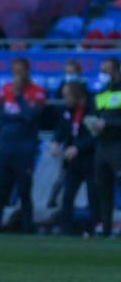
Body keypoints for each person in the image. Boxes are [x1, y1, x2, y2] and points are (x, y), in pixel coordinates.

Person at [0, 57, 45, 234]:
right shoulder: (5, 89)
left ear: (27, 71)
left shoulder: (37, 91)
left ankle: (27, 229)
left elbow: (31, 116)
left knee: (23, 190)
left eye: (20, 70)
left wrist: (19, 96)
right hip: (5, 146)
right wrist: (18, 116)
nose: (17, 74)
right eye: (15, 70)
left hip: (25, 148)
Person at [50, 81, 97, 235]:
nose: (66, 99)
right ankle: (66, 230)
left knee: (93, 197)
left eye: (68, 95)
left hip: (90, 160)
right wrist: (56, 141)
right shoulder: (68, 111)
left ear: (78, 95)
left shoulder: (93, 108)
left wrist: (78, 147)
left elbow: (95, 136)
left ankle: (93, 230)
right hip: (72, 162)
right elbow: (62, 129)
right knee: (68, 195)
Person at [91, 56, 121, 237]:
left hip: (118, 144)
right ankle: (106, 229)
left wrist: (108, 124)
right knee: (103, 189)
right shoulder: (102, 92)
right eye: (102, 71)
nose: (104, 74)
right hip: (102, 145)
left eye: (107, 70)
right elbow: (98, 113)